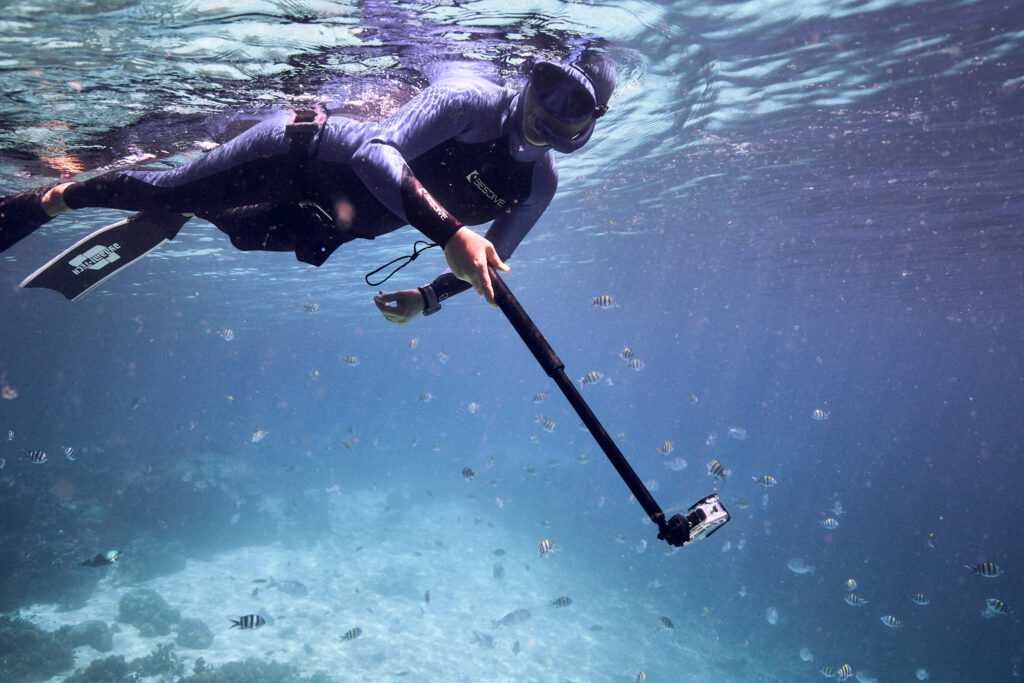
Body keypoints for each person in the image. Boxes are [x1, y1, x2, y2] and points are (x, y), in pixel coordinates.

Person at [0, 50, 615, 321]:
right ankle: (55, 198)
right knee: (166, 187)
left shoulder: (539, 185)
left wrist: (429, 299)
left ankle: (193, 204)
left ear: (591, 122)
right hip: (296, 157)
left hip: (337, 221)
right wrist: (452, 231)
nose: (550, 109)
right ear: (527, 77)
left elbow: (490, 266)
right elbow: (377, 150)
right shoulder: (470, 101)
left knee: (242, 235)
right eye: (547, 84)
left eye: (574, 104)